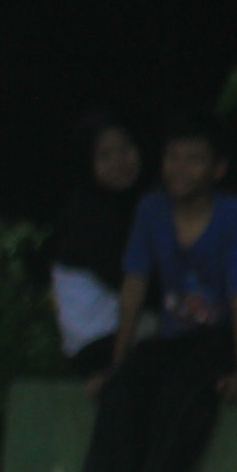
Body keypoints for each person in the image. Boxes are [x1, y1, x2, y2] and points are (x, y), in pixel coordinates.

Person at [73, 112, 237, 472]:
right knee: (123, 392)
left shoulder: (233, 214)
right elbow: (134, 288)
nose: (179, 169)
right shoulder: (151, 210)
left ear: (217, 169)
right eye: (173, 158)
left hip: (224, 336)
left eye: (193, 160)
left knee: (183, 404)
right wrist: (119, 364)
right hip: (175, 337)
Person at [51, 113, 147, 378]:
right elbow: (134, 282)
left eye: (125, 149)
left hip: (115, 334)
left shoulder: (129, 206)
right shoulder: (88, 216)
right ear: (88, 163)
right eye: (105, 156)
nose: (119, 161)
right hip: (98, 346)